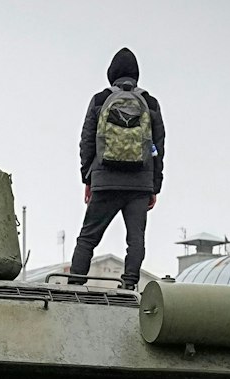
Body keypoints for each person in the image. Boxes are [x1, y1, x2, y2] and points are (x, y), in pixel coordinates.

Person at [68, 47, 165, 291]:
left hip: (105, 180)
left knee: (88, 237)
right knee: (135, 240)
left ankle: (74, 285)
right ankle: (129, 284)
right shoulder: (150, 102)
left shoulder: (100, 100)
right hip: (140, 184)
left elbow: (87, 141)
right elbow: (158, 148)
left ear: (111, 73)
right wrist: (154, 186)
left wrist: (87, 179)